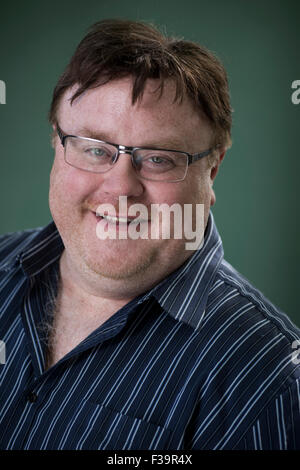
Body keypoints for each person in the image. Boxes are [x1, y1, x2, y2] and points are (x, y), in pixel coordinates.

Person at [0, 19, 299, 451]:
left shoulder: (265, 377)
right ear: (56, 143)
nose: (121, 187)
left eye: (158, 158)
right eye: (95, 148)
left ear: (211, 170)